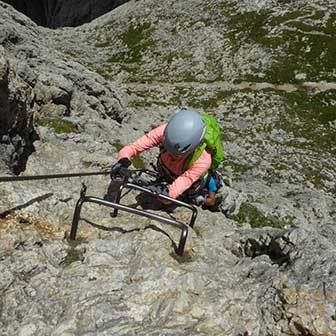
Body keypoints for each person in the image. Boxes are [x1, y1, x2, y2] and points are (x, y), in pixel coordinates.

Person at [111, 108, 224, 208]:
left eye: (177, 154)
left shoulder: (203, 160)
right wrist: (123, 160)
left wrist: (164, 194)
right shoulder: (166, 131)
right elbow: (135, 147)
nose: (172, 154)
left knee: (191, 197)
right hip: (166, 171)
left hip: (187, 184)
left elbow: (181, 184)